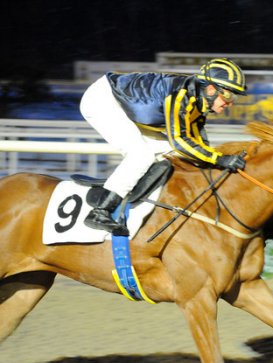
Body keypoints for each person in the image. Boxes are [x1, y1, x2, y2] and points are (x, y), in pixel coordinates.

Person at [79, 57, 249, 234]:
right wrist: (219, 159)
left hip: (127, 109)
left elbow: (199, 146)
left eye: (234, 96)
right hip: (102, 100)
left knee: (173, 155)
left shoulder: (199, 104)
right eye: (228, 95)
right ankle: (100, 211)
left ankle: (132, 193)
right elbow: (180, 141)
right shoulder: (180, 95)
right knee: (141, 155)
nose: (230, 103)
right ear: (211, 89)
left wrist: (217, 161)